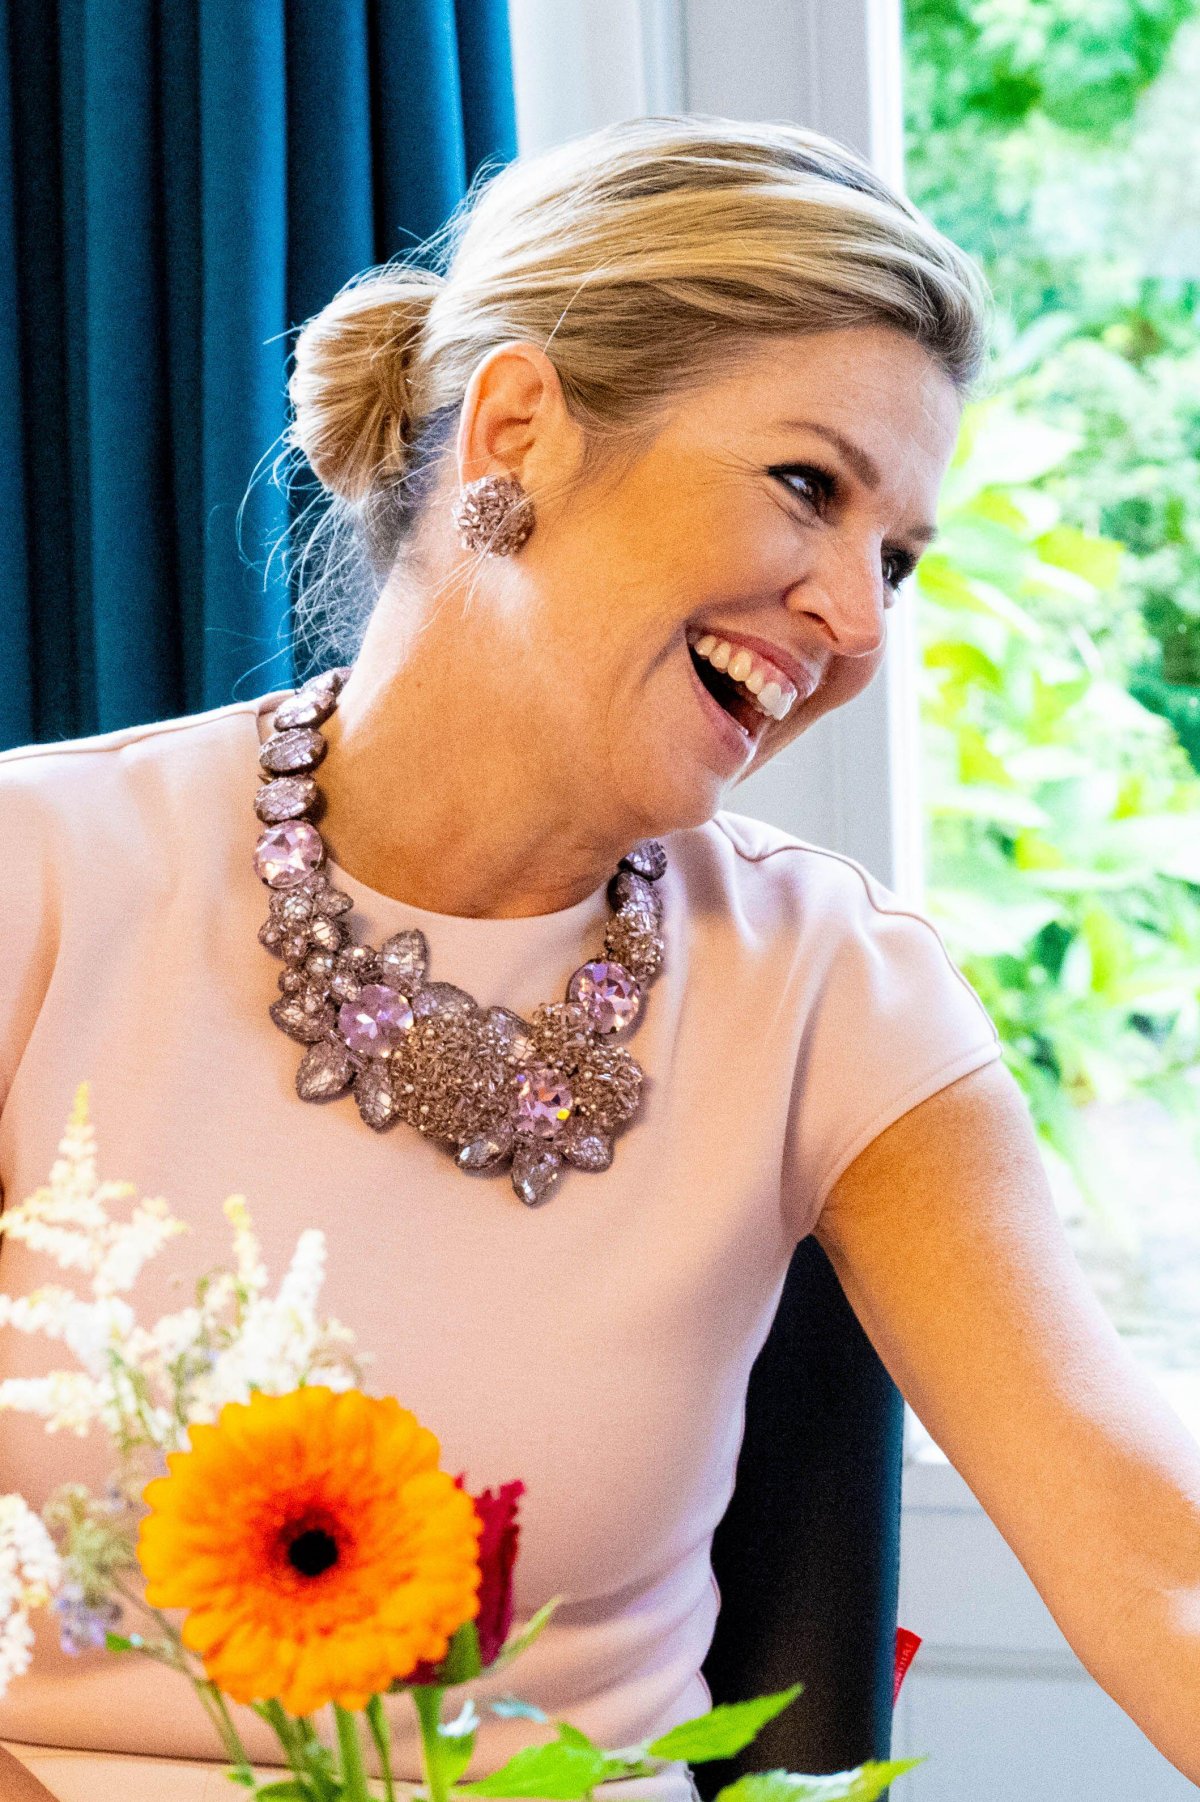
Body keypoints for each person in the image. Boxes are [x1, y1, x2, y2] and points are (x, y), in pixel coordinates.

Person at [1, 113, 1199, 1802]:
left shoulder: (836, 991)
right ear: (517, 430)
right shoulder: (37, 882)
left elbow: (1157, 1559)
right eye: (809, 486)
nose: (860, 620)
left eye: (896, 559)